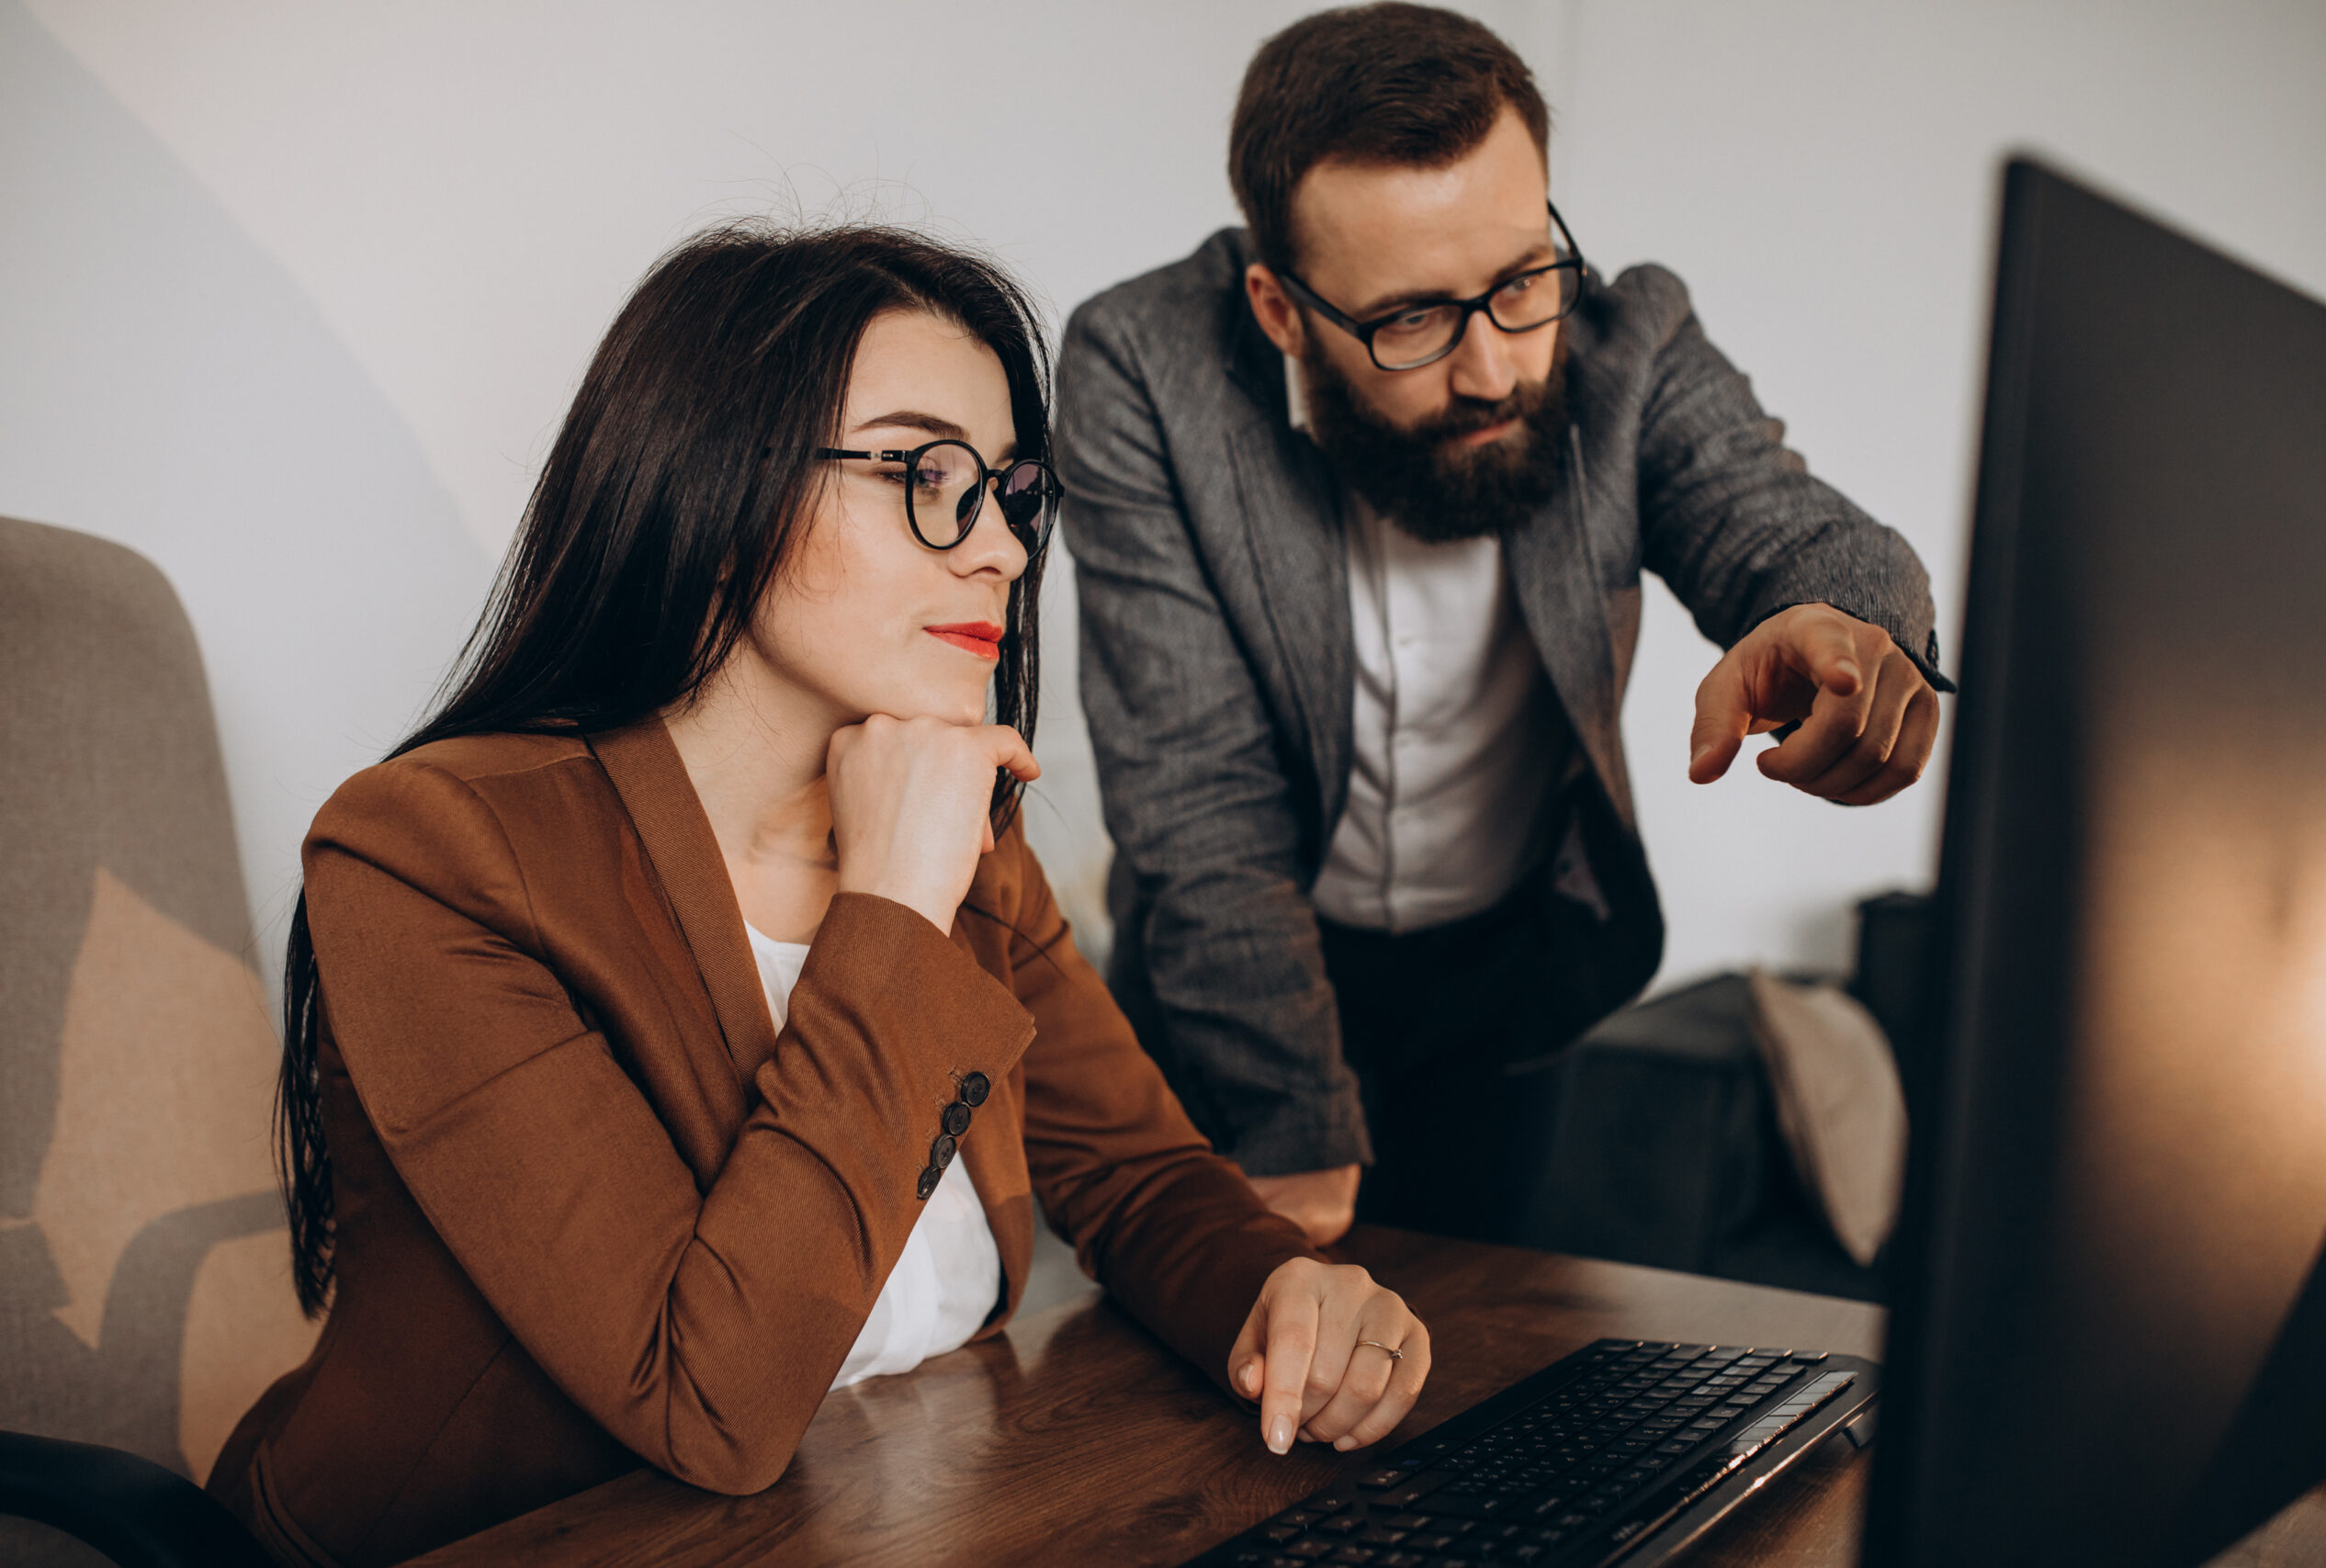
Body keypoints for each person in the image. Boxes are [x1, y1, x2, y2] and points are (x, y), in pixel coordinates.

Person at [209, 222, 1428, 1568]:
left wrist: (1285, 1289)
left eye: (1009, 491)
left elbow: (1135, 1178)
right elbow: (711, 1403)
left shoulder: (967, 841)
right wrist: (895, 909)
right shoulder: (429, 857)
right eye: (924, 473)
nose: (1007, 556)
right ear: (716, 486)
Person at [1056, 4, 1954, 1252]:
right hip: (1229, 993)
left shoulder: (1622, 341)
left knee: (1482, 1402)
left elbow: (1790, 525)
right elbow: (1197, 802)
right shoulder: (1143, 369)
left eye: (1523, 280)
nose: (1491, 371)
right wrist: (1291, 1126)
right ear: (1277, 308)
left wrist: (1850, 629)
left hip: (1510, 996)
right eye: (1411, 320)